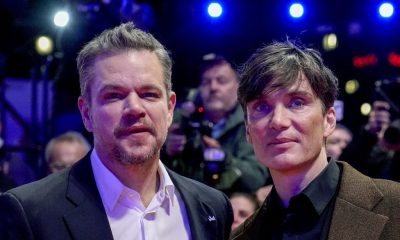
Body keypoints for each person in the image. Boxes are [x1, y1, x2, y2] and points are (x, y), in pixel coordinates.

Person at [0, 22, 233, 240]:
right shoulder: (30, 213)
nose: (135, 108)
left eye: (149, 94)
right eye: (114, 95)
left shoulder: (212, 207)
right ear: (86, 113)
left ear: (170, 108)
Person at [231, 41, 400, 239]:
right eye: (262, 107)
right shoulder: (241, 236)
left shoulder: (394, 205)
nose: (278, 121)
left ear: (328, 120)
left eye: (296, 103)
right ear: (248, 130)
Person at [163, 55, 268, 195]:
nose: (213, 87)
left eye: (221, 81)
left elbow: (256, 178)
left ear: (238, 86)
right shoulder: (181, 119)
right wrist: (166, 150)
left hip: (230, 203)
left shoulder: (250, 121)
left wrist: (222, 158)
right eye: (206, 82)